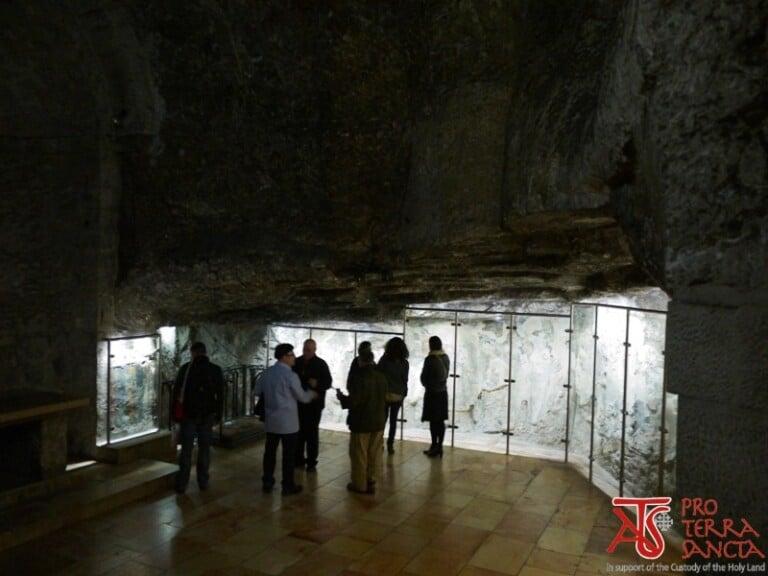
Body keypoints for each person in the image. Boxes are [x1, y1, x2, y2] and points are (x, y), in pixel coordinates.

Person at [254, 343, 317, 495]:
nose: (294, 357)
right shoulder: (290, 375)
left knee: (269, 453)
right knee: (288, 456)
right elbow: (301, 397)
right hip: (288, 423)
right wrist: (312, 394)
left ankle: (267, 482)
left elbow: (257, 391)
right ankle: (288, 485)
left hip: (271, 421)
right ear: (284, 357)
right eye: (291, 355)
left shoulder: (267, 373)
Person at [172, 341, 224, 494]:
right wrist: (218, 414)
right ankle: (203, 481)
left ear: (192, 353)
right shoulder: (215, 370)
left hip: (189, 415)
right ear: (205, 352)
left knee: (186, 450)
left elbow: (177, 392)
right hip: (207, 415)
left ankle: (182, 483)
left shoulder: (186, 369)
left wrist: (175, 416)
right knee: (205, 449)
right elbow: (220, 394)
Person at [336, 350, 387, 494]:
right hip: (378, 421)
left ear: (360, 361)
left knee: (359, 454)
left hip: (362, 422)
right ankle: (371, 479)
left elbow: (354, 401)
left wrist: (342, 398)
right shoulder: (381, 377)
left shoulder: (359, 378)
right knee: (374, 453)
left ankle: (359, 484)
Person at [293, 339, 333, 471]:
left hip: (314, 406)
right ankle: (298, 458)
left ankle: (311, 461)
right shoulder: (296, 362)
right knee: (298, 432)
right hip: (298, 404)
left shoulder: (321, 364)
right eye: (305, 349)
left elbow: (328, 382)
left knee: (311, 433)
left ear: (314, 350)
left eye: (309, 350)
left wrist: (317, 384)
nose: (306, 352)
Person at [377, 337, 409, 454]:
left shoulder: (384, 360)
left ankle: (379, 443)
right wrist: (404, 392)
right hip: (398, 395)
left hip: (385, 394)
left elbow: (378, 376)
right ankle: (390, 444)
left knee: (382, 419)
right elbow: (405, 379)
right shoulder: (405, 363)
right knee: (393, 421)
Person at [420, 335, 450, 458]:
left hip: (432, 393)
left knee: (433, 421)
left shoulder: (430, 359)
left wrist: (427, 383)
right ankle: (440, 446)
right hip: (442, 392)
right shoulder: (445, 357)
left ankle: (434, 445)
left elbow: (424, 377)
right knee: (440, 420)